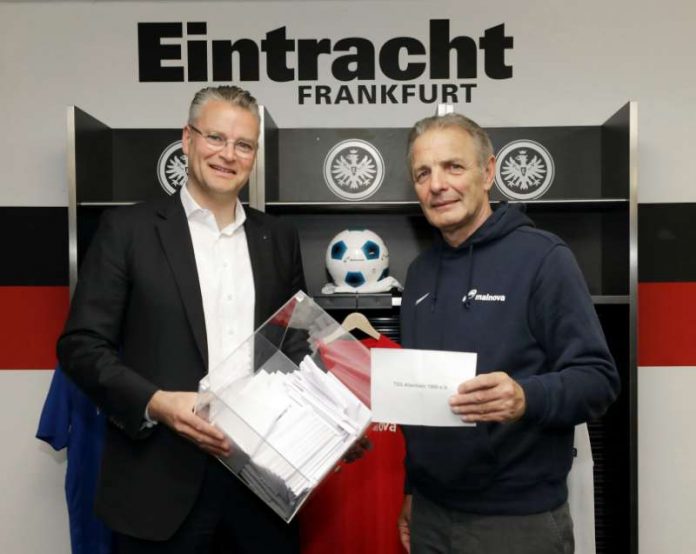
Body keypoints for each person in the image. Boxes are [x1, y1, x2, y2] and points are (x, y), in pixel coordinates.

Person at [57, 85, 306, 553]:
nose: (228, 154)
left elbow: (292, 344)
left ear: (254, 153)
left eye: (243, 144)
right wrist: (155, 402)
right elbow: (81, 345)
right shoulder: (126, 230)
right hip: (158, 485)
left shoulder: (279, 238)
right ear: (187, 139)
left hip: (263, 488)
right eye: (215, 137)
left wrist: (330, 420)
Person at [397, 113, 620, 553]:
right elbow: (419, 400)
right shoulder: (419, 275)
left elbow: (598, 378)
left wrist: (525, 397)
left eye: (453, 166)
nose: (437, 184)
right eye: (423, 173)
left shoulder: (543, 258)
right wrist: (411, 488)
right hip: (430, 515)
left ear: (488, 171)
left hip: (518, 522)